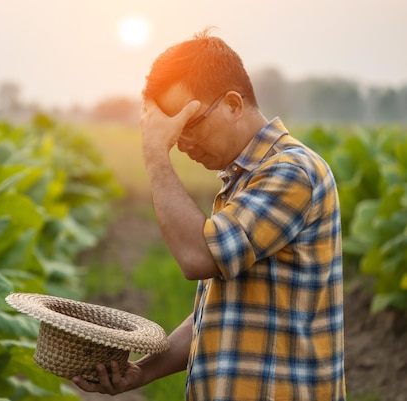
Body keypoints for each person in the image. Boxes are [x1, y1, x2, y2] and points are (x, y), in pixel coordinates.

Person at [72, 28, 346, 400]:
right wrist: (138, 373)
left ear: (233, 104)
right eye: (172, 131)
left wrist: (155, 154)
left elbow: (198, 258)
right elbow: (220, 313)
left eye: (188, 125)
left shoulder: (291, 171)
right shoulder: (242, 179)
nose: (181, 144)